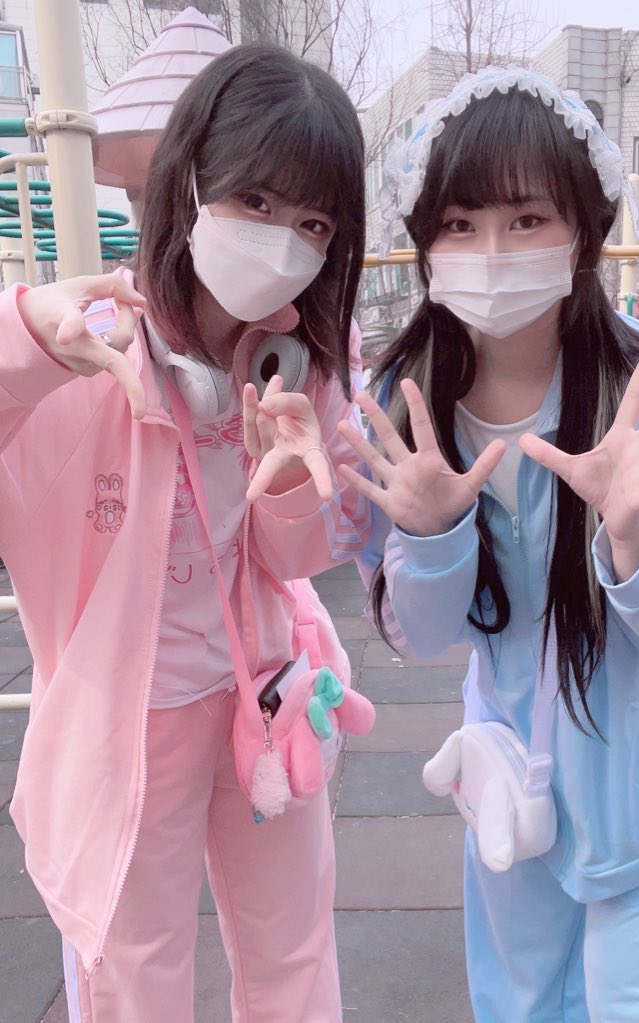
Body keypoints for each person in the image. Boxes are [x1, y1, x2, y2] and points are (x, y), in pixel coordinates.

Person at [338, 67, 639, 1022]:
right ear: (425, 240)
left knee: (638, 1001)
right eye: (460, 223)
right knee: (520, 998)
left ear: (584, 231)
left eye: (527, 219)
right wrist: (432, 529)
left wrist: (633, 540)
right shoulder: (410, 397)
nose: (491, 252)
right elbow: (417, 632)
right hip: (514, 765)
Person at [2, 42, 369, 1022]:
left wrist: (284, 488)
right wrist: (24, 339)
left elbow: (299, 559)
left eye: (313, 222)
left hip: (264, 693)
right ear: (190, 182)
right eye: (256, 201)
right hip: (133, 717)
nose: (283, 240)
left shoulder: (308, 357)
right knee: (137, 970)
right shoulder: (89, 348)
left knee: (294, 948)